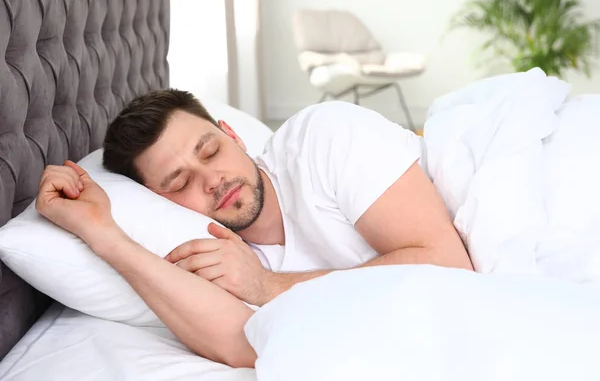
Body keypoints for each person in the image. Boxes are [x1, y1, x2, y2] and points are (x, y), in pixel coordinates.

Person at [35, 89, 473, 368]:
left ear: (234, 135)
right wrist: (102, 234)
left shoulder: (324, 137)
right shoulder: (214, 255)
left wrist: (268, 286)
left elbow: (449, 264)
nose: (212, 180)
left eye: (210, 152)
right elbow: (240, 348)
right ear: (159, 202)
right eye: (180, 182)